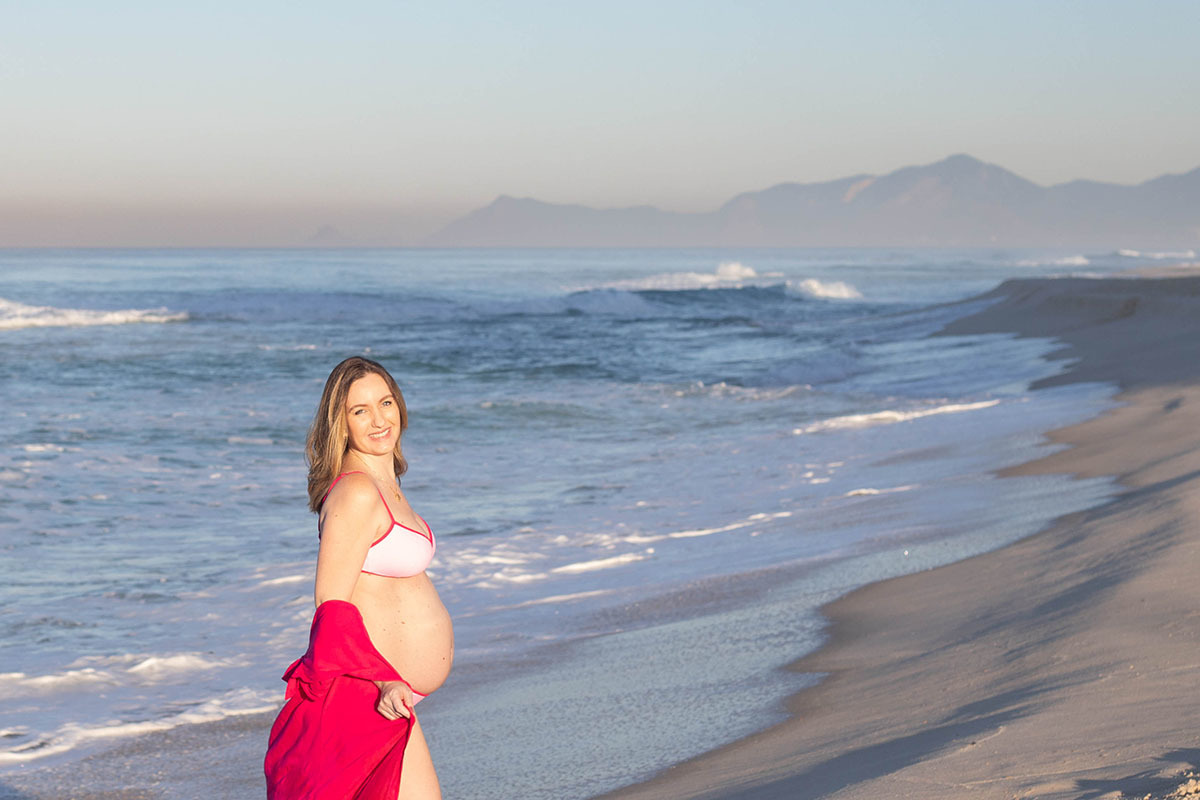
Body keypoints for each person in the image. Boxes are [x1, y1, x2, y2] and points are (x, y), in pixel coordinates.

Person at [265, 357, 453, 799]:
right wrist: (384, 680)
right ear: (340, 423)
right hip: (369, 693)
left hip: (387, 694)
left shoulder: (384, 484)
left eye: (385, 402)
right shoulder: (355, 492)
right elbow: (331, 604)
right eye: (359, 411)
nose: (378, 418)